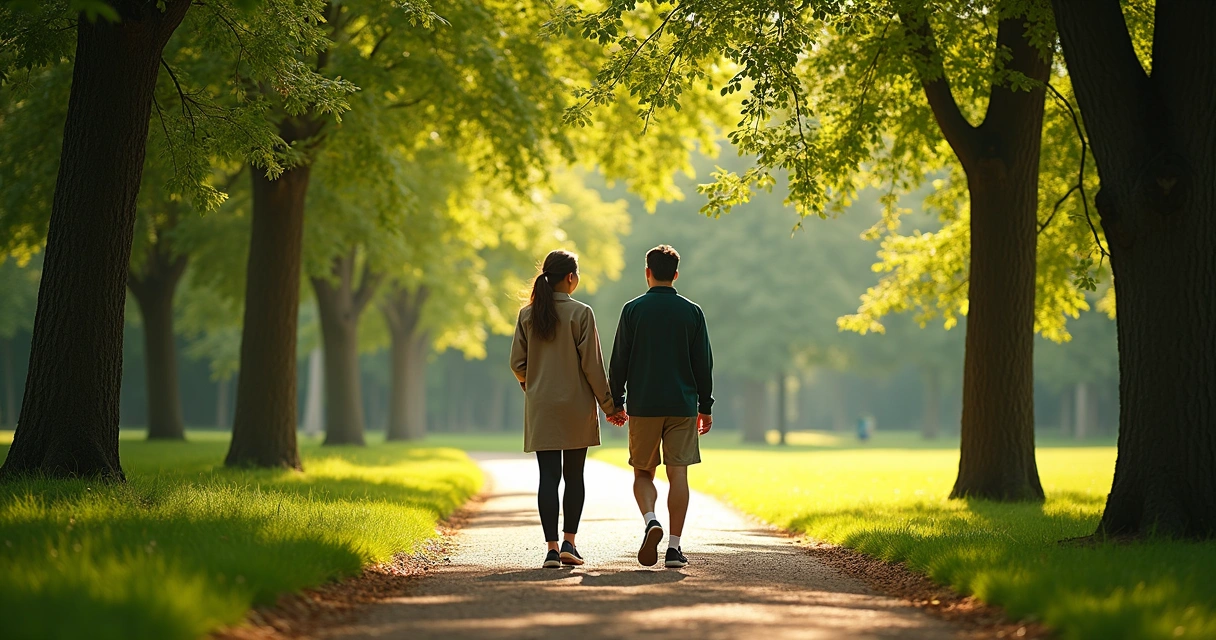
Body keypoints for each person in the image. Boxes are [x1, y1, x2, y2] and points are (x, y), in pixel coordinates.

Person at [511, 250, 624, 569]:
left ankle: (549, 549)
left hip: (541, 407)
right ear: (570, 278)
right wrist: (610, 405)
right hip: (576, 407)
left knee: (547, 476)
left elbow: (517, 363)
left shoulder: (527, 314)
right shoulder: (581, 313)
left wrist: (531, 384)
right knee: (574, 476)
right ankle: (569, 544)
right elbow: (593, 366)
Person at [608, 245, 713, 569]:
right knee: (677, 473)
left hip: (644, 405)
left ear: (647, 272)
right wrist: (704, 406)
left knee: (643, 472)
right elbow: (703, 364)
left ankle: (651, 519)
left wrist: (616, 402)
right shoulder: (692, 311)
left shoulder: (632, 310)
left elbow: (619, 360)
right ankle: (674, 548)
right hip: (681, 405)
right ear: (676, 275)